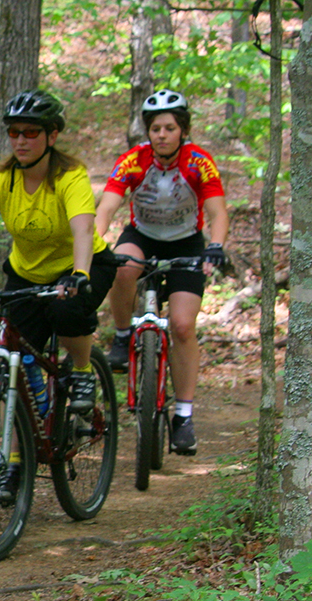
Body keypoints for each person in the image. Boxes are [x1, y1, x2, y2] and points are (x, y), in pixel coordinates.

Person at [0, 89, 117, 504]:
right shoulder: (1, 178)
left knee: (68, 314)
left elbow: (84, 229)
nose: (21, 140)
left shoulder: (70, 176)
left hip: (84, 265)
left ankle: (82, 372)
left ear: (52, 135)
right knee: (14, 365)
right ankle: (13, 465)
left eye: (31, 132)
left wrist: (80, 274)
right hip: (26, 274)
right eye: (14, 132)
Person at [95, 89, 227, 457]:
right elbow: (107, 206)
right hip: (143, 237)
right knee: (122, 267)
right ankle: (123, 336)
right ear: (148, 131)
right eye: (156, 128)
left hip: (186, 243)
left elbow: (217, 211)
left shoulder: (199, 162)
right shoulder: (133, 161)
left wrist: (215, 245)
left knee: (183, 326)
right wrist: (95, 241)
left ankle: (183, 416)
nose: (162, 135)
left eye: (170, 128)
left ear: (182, 130)